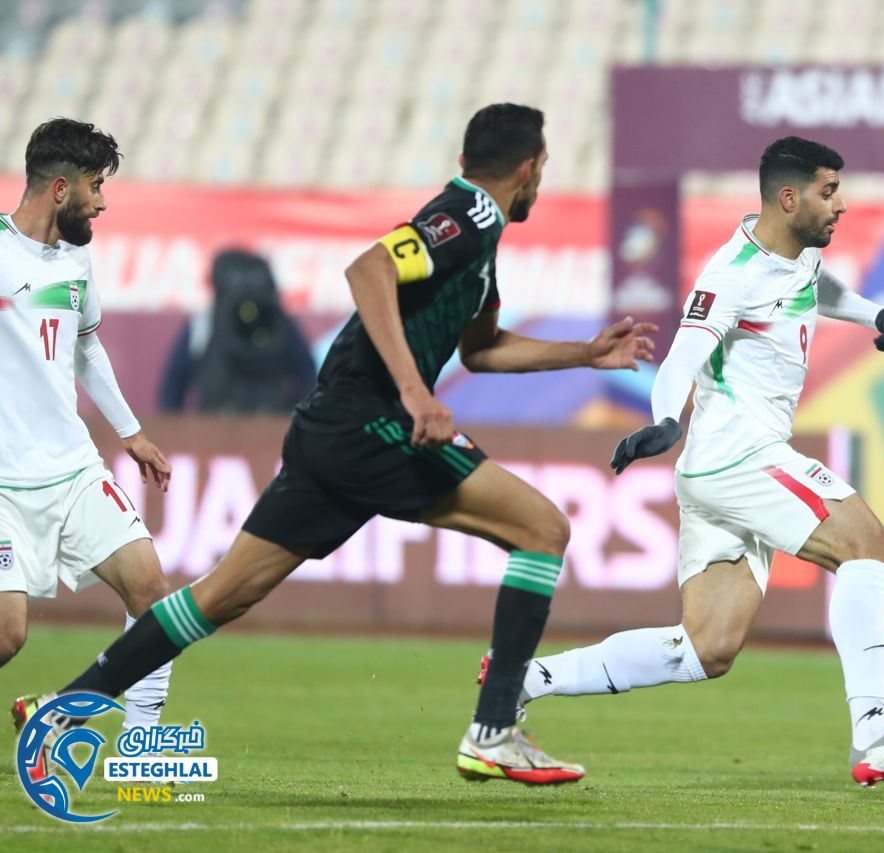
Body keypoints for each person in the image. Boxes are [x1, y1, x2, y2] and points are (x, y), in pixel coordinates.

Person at [17, 104, 656, 785]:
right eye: (544, 169)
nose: (541, 182)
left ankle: (60, 711)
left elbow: (484, 348)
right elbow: (368, 269)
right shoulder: (464, 218)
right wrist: (414, 392)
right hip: (371, 421)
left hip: (332, 431)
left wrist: (583, 353)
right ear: (527, 170)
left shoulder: (483, 240)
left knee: (220, 596)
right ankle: (494, 729)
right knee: (543, 528)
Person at [493, 136, 884, 786]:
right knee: (870, 551)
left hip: (719, 470)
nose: (842, 206)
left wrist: (876, 313)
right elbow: (684, 355)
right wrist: (663, 419)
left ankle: (524, 678)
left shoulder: (791, 257)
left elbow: (814, 286)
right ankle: (875, 730)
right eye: (830, 192)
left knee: (706, 647)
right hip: (739, 455)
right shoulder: (732, 273)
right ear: (789, 196)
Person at [2, 119, 176, 778]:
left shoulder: (75, 261)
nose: (102, 201)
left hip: (72, 470)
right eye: (96, 186)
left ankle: (140, 745)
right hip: (3, 485)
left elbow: (87, 345)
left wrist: (130, 432)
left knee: (155, 596)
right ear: (58, 187)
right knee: (7, 633)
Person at [158, 248, 316, 414]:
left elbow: (172, 391)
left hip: (219, 428)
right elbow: (310, 379)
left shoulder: (203, 324)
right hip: (264, 425)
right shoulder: (280, 322)